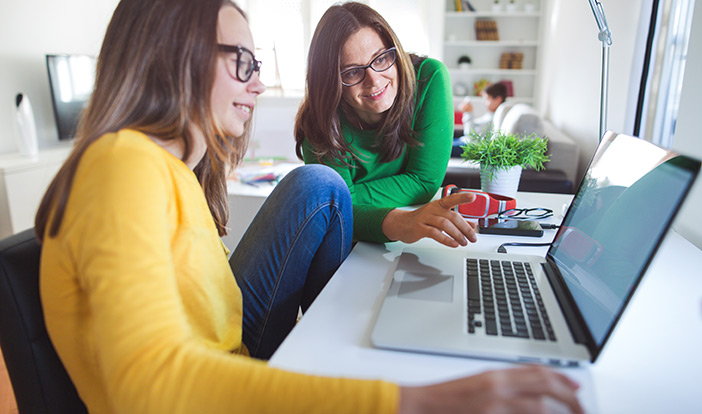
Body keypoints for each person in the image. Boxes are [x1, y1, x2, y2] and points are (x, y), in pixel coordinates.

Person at [34, 0, 583, 412]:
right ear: (177, 58)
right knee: (320, 184)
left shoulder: (167, 169)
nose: (259, 81)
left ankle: (344, 346)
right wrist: (407, 402)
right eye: (242, 61)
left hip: (229, 348)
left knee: (321, 191)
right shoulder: (120, 164)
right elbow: (152, 385)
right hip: (219, 369)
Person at [295, 2, 478, 249]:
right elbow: (332, 214)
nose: (374, 80)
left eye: (381, 59)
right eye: (351, 72)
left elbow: (424, 182)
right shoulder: (320, 118)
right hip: (349, 244)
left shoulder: (429, 78)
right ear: (330, 82)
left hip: (414, 234)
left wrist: (348, 200)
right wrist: (398, 221)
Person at [451, 82, 509, 157]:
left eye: (487, 99)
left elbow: (471, 135)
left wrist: (468, 113)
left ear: (498, 99)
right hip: (464, 141)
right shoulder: (491, 114)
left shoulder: (495, 119)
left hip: (469, 145)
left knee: (439, 146)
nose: (484, 102)